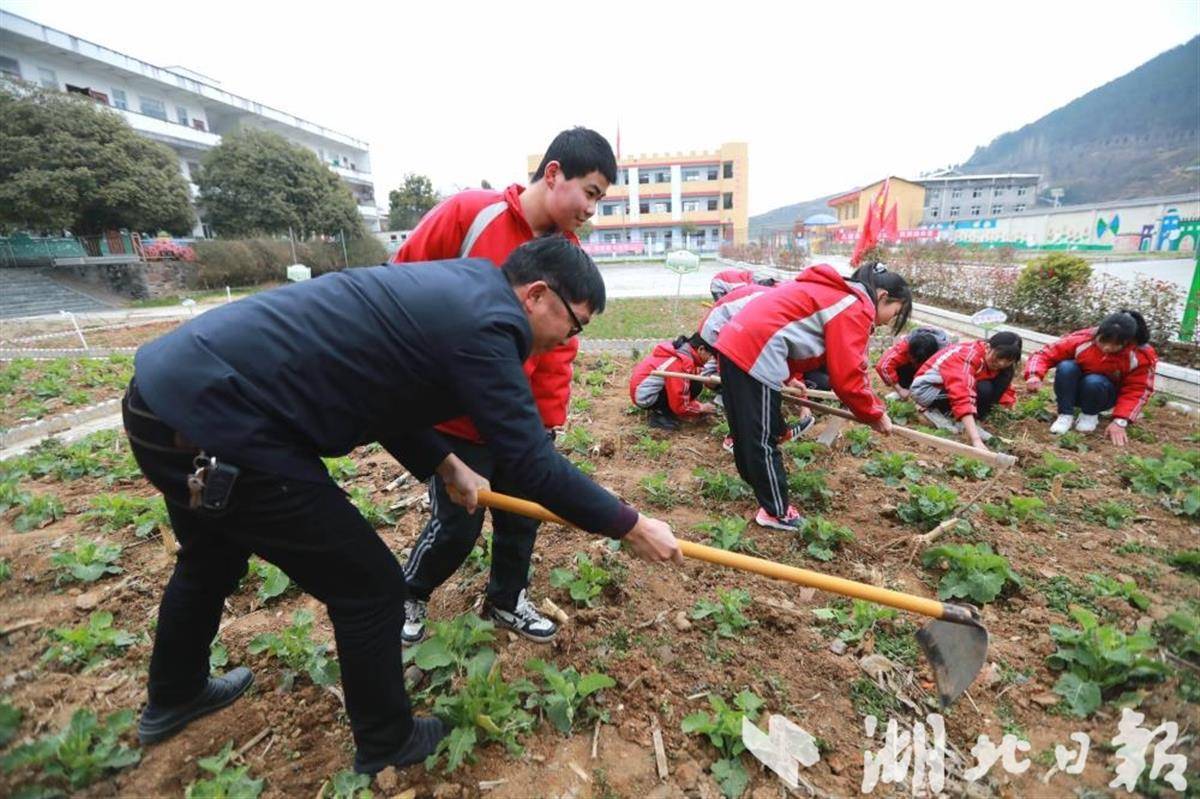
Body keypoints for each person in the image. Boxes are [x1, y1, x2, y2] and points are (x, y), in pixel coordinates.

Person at [122, 237, 682, 776]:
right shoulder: (493, 325)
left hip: (167, 398)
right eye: (575, 323)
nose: (568, 340)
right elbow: (534, 464)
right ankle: (387, 743)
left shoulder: (463, 290)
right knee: (369, 589)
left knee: (210, 560)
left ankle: (176, 694)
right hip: (218, 428)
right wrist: (630, 525)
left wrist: (446, 463)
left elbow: (386, 391)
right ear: (536, 295)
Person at [394, 127, 616, 645]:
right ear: (554, 172)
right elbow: (401, 286)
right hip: (454, 415)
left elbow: (560, 347)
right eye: (590, 192)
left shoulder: (568, 258)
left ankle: (506, 598)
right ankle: (409, 591)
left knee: (524, 517)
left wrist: (547, 422)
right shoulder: (473, 213)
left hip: (517, 419)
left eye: (600, 200)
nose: (591, 209)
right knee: (458, 524)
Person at [713, 262, 911, 530]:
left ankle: (762, 492)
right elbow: (848, 376)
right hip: (755, 351)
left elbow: (790, 326)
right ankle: (776, 511)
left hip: (734, 342)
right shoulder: (854, 306)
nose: (888, 321)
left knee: (749, 433)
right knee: (760, 440)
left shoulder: (830, 292)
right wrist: (874, 413)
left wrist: (789, 375)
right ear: (883, 297)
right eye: (894, 312)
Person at [1023, 309, 1156, 445]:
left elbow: (1138, 389)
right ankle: (1065, 414)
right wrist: (1034, 375)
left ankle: (1090, 415)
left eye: (1115, 345)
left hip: (1103, 394)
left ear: (1127, 342)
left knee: (1094, 381)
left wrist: (1120, 421)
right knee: (1067, 367)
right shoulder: (1082, 339)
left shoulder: (1139, 356)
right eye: (1103, 341)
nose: (1107, 348)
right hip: (1073, 391)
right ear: (1098, 334)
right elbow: (1044, 354)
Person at [910, 331, 1022, 452]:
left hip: (948, 388)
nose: (1001, 363)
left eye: (1008, 361)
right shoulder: (966, 356)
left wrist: (1007, 403)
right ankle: (933, 412)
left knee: (998, 378)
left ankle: (964, 419)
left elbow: (1002, 385)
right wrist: (976, 440)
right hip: (927, 389)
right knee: (981, 389)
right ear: (988, 347)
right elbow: (962, 393)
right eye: (998, 358)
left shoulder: (997, 363)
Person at [628, 333, 718, 431]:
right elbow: (679, 402)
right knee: (694, 386)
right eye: (711, 355)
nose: (711, 359)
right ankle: (660, 414)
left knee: (695, 384)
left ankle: (665, 409)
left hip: (643, 389)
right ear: (701, 349)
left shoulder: (681, 351)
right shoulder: (678, 363)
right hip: (645, 397)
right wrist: (700, 408)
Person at [875, 327, 951, 399]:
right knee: (902, 367)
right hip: (911, 361)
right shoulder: (905, 346)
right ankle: (905, 388)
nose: (914, 362)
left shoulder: (945, 354)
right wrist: (899, 389)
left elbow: (949, 377)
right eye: (912, 359)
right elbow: (882, 366)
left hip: (932, 367)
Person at [709, 267, 777, 301]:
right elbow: (736, 298)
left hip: (726, 282)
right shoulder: (741, 286)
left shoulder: (749, 280)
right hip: (717, 286)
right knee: (722, 304)